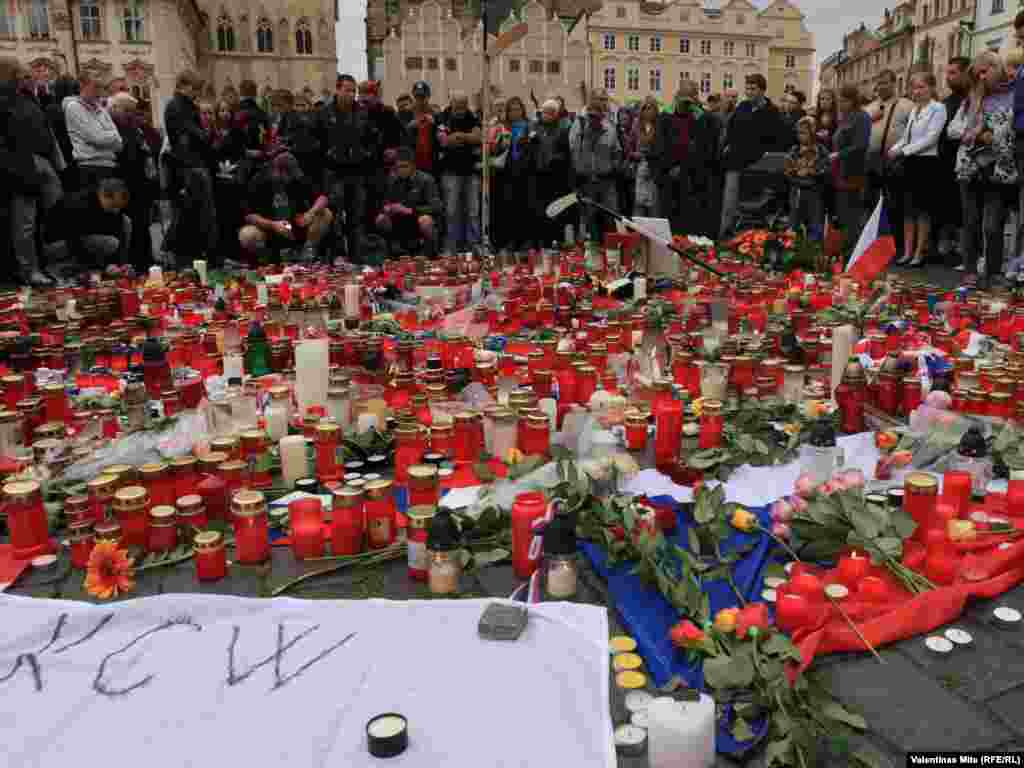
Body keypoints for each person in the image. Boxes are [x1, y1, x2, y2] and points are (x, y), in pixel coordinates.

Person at [954, 50, 1016, 290]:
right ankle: (970, 271)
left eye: (984, 71)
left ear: (996, 67)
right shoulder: (972, 98)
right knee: (970, 222)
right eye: (977, 73)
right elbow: (954, 128)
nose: (981, 77)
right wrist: (978, 133)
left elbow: (1009, 130)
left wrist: (995, 136)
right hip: (970, 168)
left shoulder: (1013, 95)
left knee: (992, 225)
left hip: (998, 168)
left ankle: (992, 273)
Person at [1, 58, 64, 286]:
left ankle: (44, 265)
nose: (31, 80)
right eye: (25, 76)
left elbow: (43, 130)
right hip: (20, 166)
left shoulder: (28, 99)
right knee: (25, 223)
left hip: (39, 162)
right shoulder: (6, 100)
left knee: (46, 217)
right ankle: (29, 269)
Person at [316, 73, 377, 264]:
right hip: (334, 172)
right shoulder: (324, 113)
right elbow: (314, 140)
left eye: (354, 91)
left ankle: (357, 256)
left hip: (357, 172)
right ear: (337, 89)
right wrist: (327, 155)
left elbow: (373, 139)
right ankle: (337, 255)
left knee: (356, 216)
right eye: (347, 90)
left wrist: (365, 154)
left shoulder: (362, 112)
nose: (351, 94)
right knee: (335, 216)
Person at [887, 71, 947, 267]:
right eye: (914, 87)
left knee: (922, 210)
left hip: (926, 163)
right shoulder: (914, 110)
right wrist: (895, 148)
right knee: (908, 210)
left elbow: (931, 138)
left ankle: (919, 252)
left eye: (922, 87)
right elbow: (907, 136)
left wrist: (904, 152)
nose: (917, 91)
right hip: (911, 162)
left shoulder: (938, 108)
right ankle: (907, 251)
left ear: (931, 88)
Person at [719, 74, 787, 238]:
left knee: (754, 209)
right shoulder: (742, 106)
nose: (749, 92)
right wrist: (728, 145)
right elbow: (731, 129)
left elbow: (777, 139)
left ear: (763, 90)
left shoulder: (772, 111)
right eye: (747, 88)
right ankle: (725, 234)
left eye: (753, 89)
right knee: (729, 203)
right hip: (735, 161)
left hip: (760, 166)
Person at [238, 151, 334, 261]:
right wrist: (273, 225)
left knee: (325, 213)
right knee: (247, 234)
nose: (292, 178)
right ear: (277, 171)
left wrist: (310, 213)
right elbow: (249, 216)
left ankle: (307, 252)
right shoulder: (258, 181)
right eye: (289, 175)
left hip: (296, 226)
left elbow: (322, 198)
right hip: (270, 229)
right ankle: (266, 258)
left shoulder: (297, 179)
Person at [163, 70, 217, 264]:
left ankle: (194, 255)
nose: (197, 93)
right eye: (195, 89)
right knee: (191, 213)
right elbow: (193, 135)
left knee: (196, 214)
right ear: (183, 85)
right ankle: (182, 256)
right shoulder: (178, 106)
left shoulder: (184, 105)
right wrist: (206, 135)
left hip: (191, 164)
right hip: (188, 166)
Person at [865, 69, 913, 256]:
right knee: (872, 203)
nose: (882, 86)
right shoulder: (870, 107)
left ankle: (896, 246)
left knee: (895, 204)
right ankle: (874, 242)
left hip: (895, 160)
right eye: (879, 83)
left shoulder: (906, 105)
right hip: (873, 160)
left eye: (886, 82)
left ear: (894, 84)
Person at [110, 92, 156, 272]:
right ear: (115, 110)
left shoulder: (136, 129)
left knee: (143, 224)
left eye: (133, 111)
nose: (131, 114)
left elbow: (145, 152)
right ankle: (132, 263)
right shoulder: (113, 129)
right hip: (125, 183)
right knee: (130, 226)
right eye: (127, 110)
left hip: (140, 185)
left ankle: (146, 260)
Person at [44, 177, 131, 270]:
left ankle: (121, 266)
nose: (117, 210)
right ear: (105, 196)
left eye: (120, 207)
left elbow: (118, 230)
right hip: (58, 245)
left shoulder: (106, 206)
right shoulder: (80, 205)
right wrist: (105, 266)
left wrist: (119, 264)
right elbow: (75, 240)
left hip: (81, 241)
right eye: (115, 206)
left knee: (125, 222)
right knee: (110, 243)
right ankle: (77, 268)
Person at [569, 88, 622, 241]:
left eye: (604, 100)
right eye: (598, 99)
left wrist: (613, 167)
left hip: (607, 181)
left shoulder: (610, 126)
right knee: (590, 222)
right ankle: (592, 254)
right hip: (587, 182)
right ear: (591, 101)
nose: (601, 103)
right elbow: (573, 150)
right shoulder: (579, 124)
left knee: (611, 219)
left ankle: (612, 252)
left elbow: (617, 151)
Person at [375, 147, 442, 257]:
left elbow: (436, 207)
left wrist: (410, 210)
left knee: (425, 221)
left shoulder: (426, 180)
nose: (401, 170)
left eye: (405, 166)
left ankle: (431, 254)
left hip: (417, 218)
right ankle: (391, 253)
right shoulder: (392, 180)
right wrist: (387, 208)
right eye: (398, 167)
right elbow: (384, 203)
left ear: (413, 166)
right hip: (399, 219)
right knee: (381, 219)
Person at [437, 91, 482, 255]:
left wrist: (458, 136)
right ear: (451, 103)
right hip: (450, 172)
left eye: (464, 105)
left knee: (473, 211)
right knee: (451, 211)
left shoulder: (472, 116)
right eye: (458, 105)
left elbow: (478, 137)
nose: (461, 109)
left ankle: (473, 246)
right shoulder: (442, 117)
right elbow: (443, 140)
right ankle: (451, 247)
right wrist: (466, 137)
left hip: (471, 171)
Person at [938, 58, 971, 267]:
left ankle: (963, 251)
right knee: (947, 209)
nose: (948, 77)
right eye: (947, 73)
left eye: (953, 73)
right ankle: (945, 250)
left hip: (963, 162)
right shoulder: (946, 102)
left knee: (963, 211)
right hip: (944, 164)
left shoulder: (971, 100)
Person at [64, 72, 122, 189]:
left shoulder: (101, 109)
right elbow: (95, 138)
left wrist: (107, 137)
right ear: (82, 86)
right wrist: (110, 137)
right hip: (90, 167)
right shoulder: (74, 107)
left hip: (109, 165)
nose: (99, 92)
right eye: (95, 87)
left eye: (101, 87)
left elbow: (119, 142)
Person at [831, 85, 871, 247]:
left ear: (853, 100)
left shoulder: (861, 117)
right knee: (842, 212)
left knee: (851, 214)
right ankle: (844, 246)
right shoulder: (846, 117)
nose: (840, 104)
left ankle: (852, 247)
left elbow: (860, 145)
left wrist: (839, 154)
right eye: (839, 101)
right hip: (840, 171)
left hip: (853, 172)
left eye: (844, 101)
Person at [532, 98, 573, 246]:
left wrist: (554, 159)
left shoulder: (563, 129)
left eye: (551, 112)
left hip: (556, 176)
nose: (547, 115)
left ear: (556, 114)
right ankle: (542, 240)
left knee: (556, 209)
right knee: (540, 210)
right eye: (545, 112)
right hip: (539, 175)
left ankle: (557, 239)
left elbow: (566, 153)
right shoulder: (535, 127)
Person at [784, 116, 829, 241]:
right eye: (798, 133)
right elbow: (788, 172)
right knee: (793, 225)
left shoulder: (821, 151)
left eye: (804, 133)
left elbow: (825, 170)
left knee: (815, 225)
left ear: (813, 133)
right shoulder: (793, 150)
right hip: (796, 193)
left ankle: (813, 251)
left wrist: (810, 171)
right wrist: (797, 174)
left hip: (815, 194)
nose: (800, 136)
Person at [627, 96, 663, 218]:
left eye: (651, 107)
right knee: (639, 206)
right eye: (645, 108)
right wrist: (634, 155)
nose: (648, 110)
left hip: (654, 170)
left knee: (654, 207)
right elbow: (629, 147)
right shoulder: (636, 126)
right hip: (639, 169)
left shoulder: (660, 125)